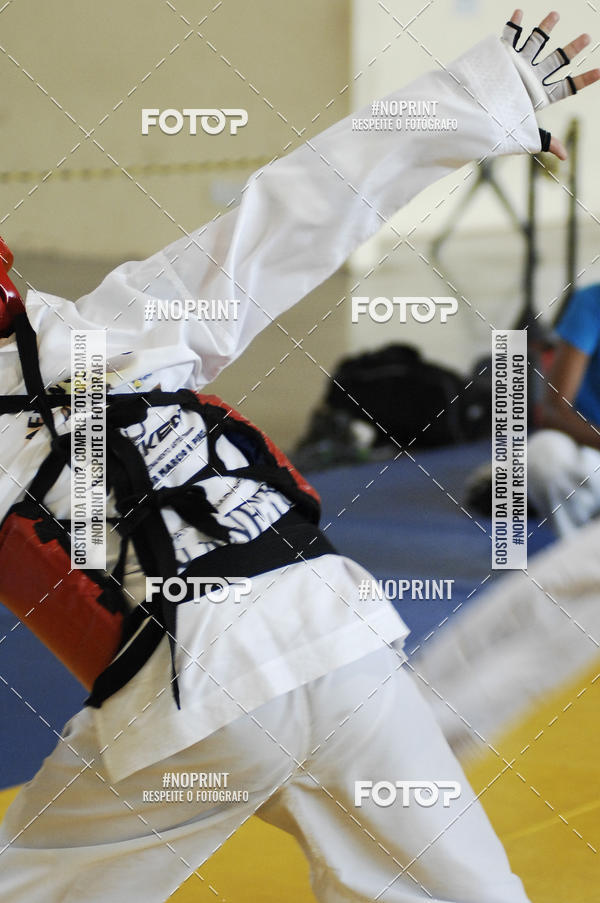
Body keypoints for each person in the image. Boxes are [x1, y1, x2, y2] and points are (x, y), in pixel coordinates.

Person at [0, 10, 597, 903]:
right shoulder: (117, 316)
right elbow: (308, 199)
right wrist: (489, 90)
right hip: (340, 641)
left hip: (198, 698)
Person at [528, 284, 600, 534]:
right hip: (590, 447)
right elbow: (553, 410)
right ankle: (577, 554)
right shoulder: (592, 302)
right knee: (545, 455)